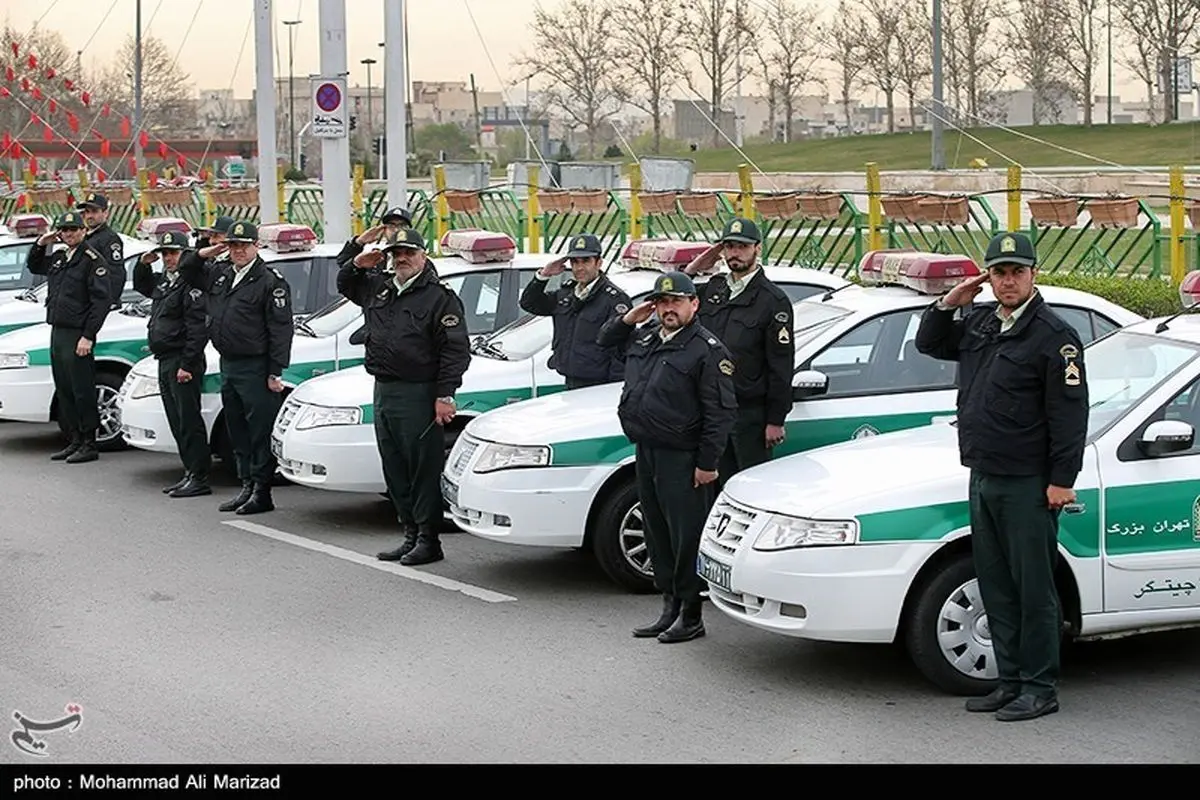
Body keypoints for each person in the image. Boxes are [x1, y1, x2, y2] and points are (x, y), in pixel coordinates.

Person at [915, 231, 1088, 722]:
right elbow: (930, 342)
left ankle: (1039, 686)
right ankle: (1009, 681)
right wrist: (949, 303)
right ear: (987, 277)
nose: (1008, 281)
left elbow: (1069, 415)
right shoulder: (982, 322)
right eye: (999, 273)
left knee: (1033, 589)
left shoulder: (1054, 336)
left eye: (1016, 272)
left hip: (1028, 481)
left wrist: (1061, 480)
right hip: (984, 473)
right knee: (995, 584)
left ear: (1034, 274)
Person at [598, 271, 737, 643]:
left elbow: (720, 412)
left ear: (694, 304)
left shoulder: (706, 350)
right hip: (647, 449)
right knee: (656, 531)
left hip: (684, 457)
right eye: (661, 302)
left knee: (685, 536)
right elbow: (605, 340)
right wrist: (629, 319)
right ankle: (669, 606)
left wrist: (707, 463)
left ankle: (691, 614)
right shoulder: (646, 337)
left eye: (676, 302)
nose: (668, 309)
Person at [338, 227, 471, 566]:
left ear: (423, 256)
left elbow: (455, 350)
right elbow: (345, 283)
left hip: (419, 392)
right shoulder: (380, 287)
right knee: (394, 466)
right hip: (384, 389)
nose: (402, 259)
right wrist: (357, 262)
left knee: (421, 468)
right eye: (397, 253)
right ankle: (409, 533)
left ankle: (429, 539)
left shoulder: (439, 297)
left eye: (409, 253)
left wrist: (445, 394)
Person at [179, 221, 294, 515]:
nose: (238, 251)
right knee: (237, 429)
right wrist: (206, 252)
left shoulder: (270, 281)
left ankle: (262, 491)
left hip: (256, 366)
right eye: (233, 246)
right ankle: (246, 484)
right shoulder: (221, 273)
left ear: (256, 246)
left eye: (243, 245)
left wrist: (275, 371)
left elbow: (281, 329)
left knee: (259, 431)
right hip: (229, 363)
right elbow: (187, 270)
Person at [682, 217, 794, 488]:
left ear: (757, 248)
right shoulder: (714, 289)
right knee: (710, 490)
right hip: (709, 411)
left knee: (748, 487)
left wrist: (775, 419)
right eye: (729, 246)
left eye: (742, 247)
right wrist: (694, 268)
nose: (735, 253)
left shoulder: (773, 300)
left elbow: (781, 365)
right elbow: (676, 294)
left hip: (748, 416)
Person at [25, 211, 115, 463]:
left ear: (83, 231)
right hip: (59, 330)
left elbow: (101, 302)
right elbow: (34, 266)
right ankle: (74, 439)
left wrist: (88, 336)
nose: (68, 234)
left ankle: (89, 442)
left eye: (73, 229)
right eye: (64, 230)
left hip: (78, 333)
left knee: (82, 389)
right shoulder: (60, 257)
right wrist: (41, 243)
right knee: (64, 388)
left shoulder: (92, 260)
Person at [134, 230, 212, 498]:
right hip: (165, 358)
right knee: (176, 420)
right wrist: (143, 264)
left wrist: (188, 365)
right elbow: (143, 286)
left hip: (182, 359)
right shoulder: (166, 282)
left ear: (185, 254)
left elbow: (197, 329)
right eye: (165, 253)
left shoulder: (190, 283)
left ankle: (199, 476)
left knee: (188, 420)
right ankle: (190, 471)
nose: (168, 258)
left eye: (174, 253)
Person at [518, 233, 632, 389]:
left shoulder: (614, 299)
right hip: (570, 379)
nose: (579, 268)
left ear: (598, 263)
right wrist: (544, 275)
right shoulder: (566, 294)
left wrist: (612, 388)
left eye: (586, 261)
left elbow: (621, 348)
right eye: (575, 262)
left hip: (600, 384)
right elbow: (529, 303)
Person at [76, 192, 126, 307]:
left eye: (94, 211)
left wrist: (109, 302)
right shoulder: (85, 237)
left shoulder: (110, 239)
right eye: (87, 212)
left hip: (99, 304)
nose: (89, 216)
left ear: (105, 213)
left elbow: (116, 273)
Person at [335, 206, 415, 269]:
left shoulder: (417, 256)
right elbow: (344, 266)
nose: (396, 230)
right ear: (384, 230)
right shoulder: (375, 258)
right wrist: (359, 242)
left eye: (402, 225)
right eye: (391, 225)